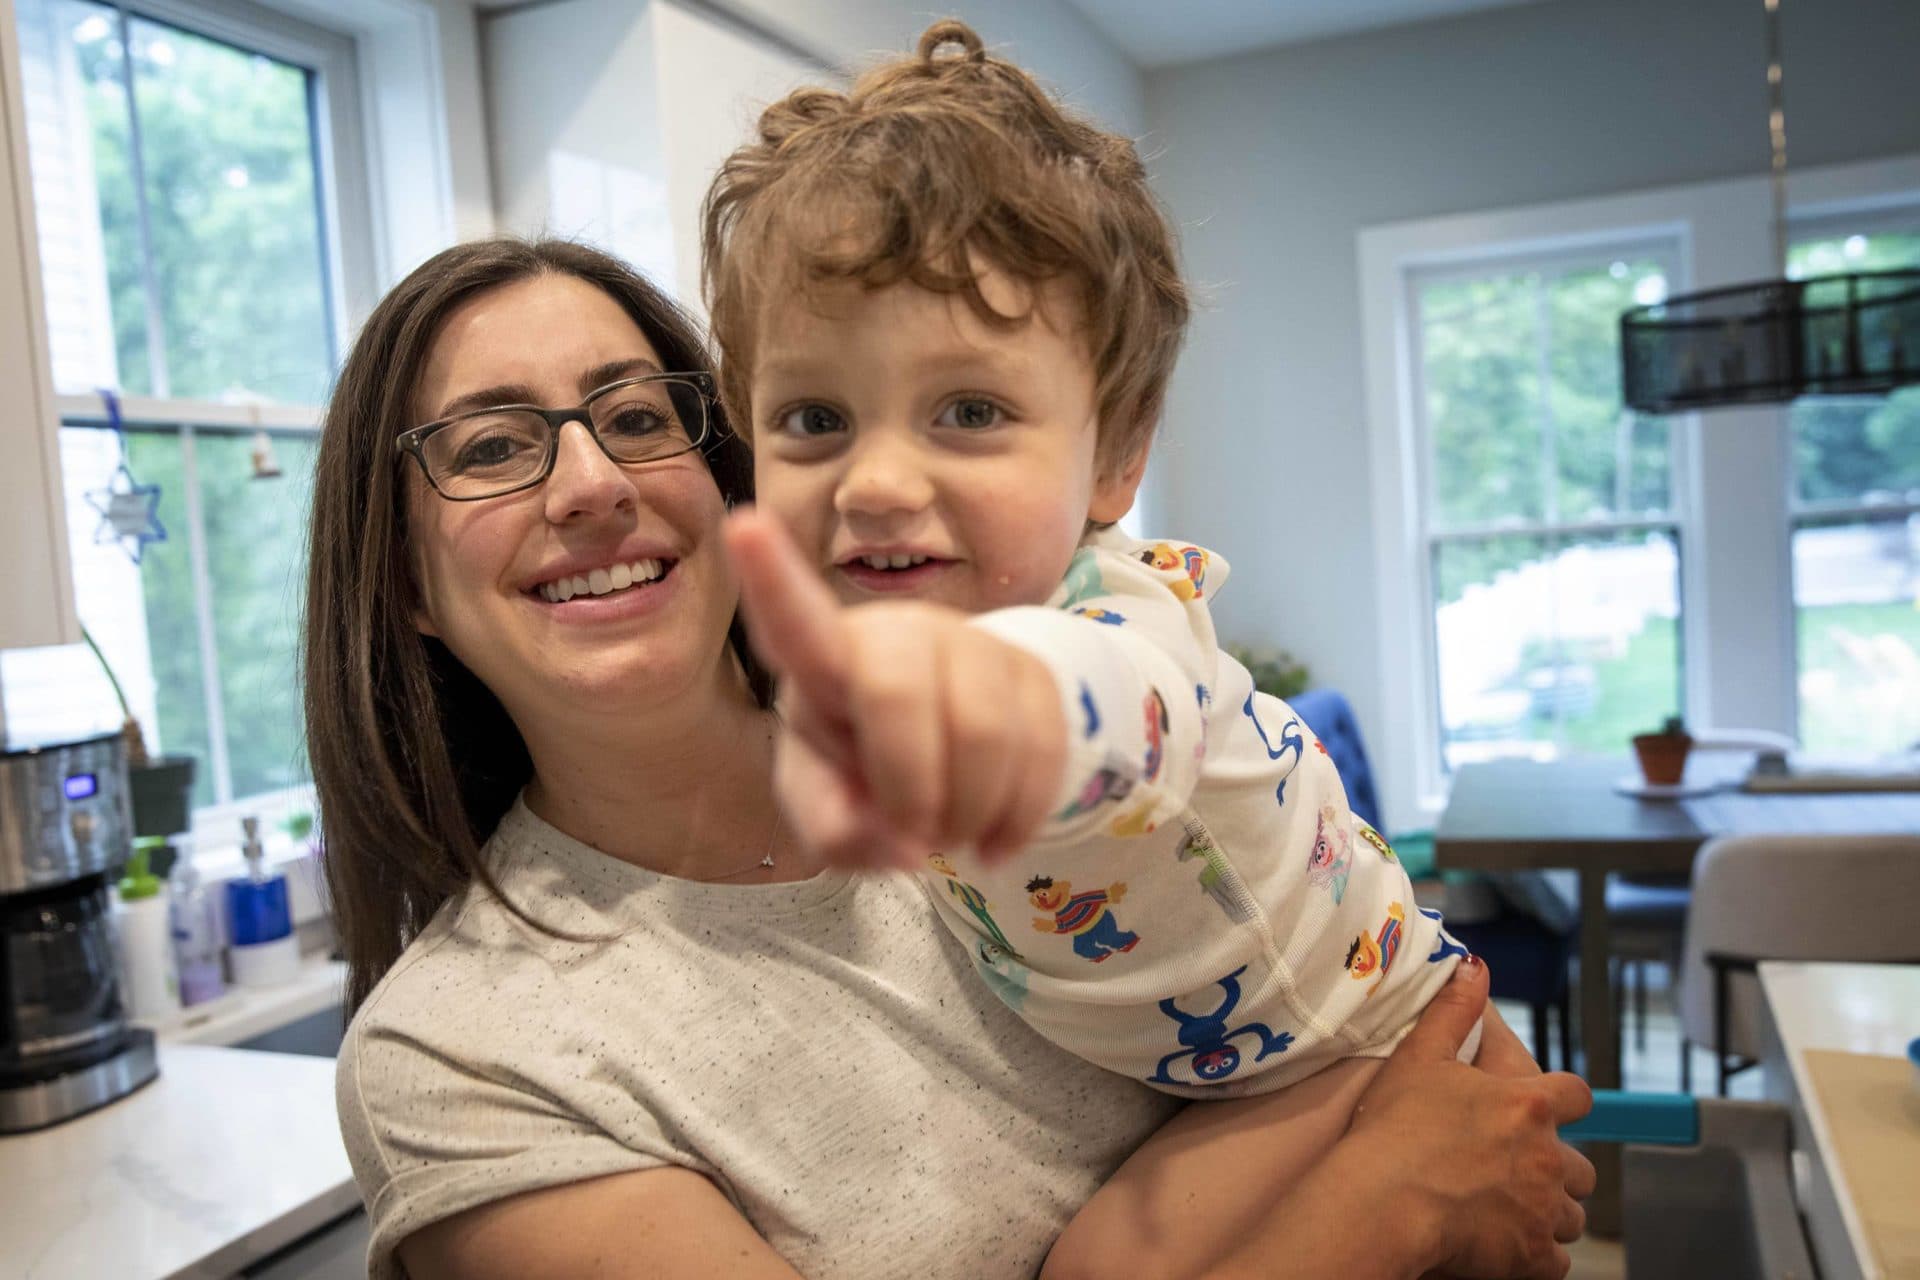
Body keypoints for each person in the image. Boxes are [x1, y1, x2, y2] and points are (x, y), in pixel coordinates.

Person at [309, 235, 1593, 1280]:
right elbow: (1422, 1151)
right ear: (405, 581)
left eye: (638, 415)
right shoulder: (460, 1057)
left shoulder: (988, 717)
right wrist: (1398, 1199)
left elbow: (1341, 961)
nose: (590, 481)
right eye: (487, 446)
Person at [705, 22, 1556, 1272]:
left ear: (1115, 453)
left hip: (1356, 1037)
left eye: (971, 410)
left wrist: (996, 704)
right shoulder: (853, 641)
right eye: (814, 417)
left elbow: (1114, 716)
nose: (877, 479)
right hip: (1236, 1059)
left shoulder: (1110, 624)